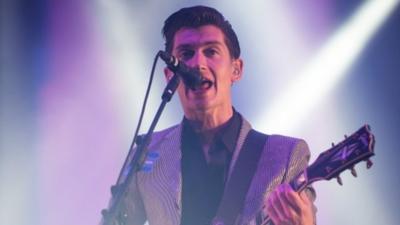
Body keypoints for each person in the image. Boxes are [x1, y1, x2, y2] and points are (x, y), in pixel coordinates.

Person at [103, 5, 316, 225]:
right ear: (169, 75)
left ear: (236, 70)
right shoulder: (147, 153)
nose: (197, 63)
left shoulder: (285, 156)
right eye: (186, 54)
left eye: (211, 51)